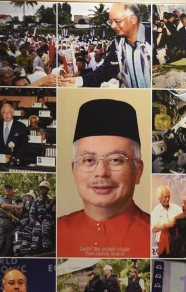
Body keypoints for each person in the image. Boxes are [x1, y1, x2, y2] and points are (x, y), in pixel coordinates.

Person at [58, 98, 151, 257]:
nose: (101, 172)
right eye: (88, 160)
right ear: (74, 170)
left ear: (138, 171)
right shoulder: (56, 232)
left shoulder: (157, 235)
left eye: (115, 160)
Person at [62, 3, 151, 88]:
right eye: (110, 22)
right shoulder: (118, 44)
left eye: (117, 21)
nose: (112, 26)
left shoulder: (156, 40)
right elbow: (105, 72)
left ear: (133, 19)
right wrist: (78, 81)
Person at [0, 101, 29, 166]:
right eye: (4, 112)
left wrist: (14, 157)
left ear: (12, 113)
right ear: (1, 114)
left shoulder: (21, 126)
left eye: (9, 112)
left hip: (15, 162)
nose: (6, 115)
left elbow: (24, 145)